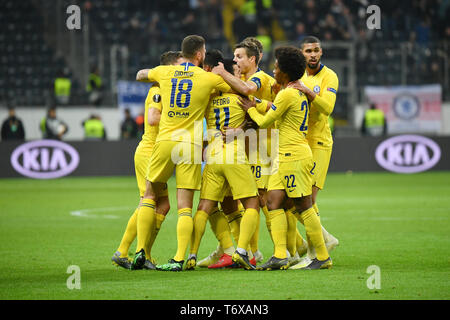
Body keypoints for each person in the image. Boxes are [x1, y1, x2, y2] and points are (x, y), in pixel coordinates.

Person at [133, 35, 232, 271]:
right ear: (199, 55)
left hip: (165, 141)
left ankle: (140, 251)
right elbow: (234, 87)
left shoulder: (165, 73)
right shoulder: (208, 78)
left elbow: (140, 75)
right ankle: (179, 258)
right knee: (185, 206)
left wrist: (154, 73)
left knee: (148, 195)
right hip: (190, 146)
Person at [238, 45, 332, 270]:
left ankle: (322, 256)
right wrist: (258, 105)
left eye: (277, 67)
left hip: (294, 157)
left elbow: (263, 122)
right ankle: (280, 254)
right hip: (285, 157)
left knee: (303, 205)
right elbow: (274, 111)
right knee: (273, 202)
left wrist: (251, 108)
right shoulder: (293, 92)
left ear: (286, 72)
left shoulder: (288, 93)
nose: (273, 70)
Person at [186, 53, 260, 271]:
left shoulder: (208, 96)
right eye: (235, 68)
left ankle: (191, 254)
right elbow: (256, 120)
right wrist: (242, 128)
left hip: (213, 154)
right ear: (230, 72)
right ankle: (242, 251)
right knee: (252, 204)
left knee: (204, 207)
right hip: (234, 154)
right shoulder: (241, 93)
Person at [112, 51, 183, 270]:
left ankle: (145, 254)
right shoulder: (158, 89)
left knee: (163, 205)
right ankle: (123, 251)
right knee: (148, 200)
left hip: (158, 152)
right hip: (149, 152)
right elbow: (152, 118)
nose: (183, 70)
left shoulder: (171, 89)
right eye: (180, 66)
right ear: (169, 68)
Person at [211, 39, 278, 264]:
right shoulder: (242, 81)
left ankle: (288, 250)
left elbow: (257, 116)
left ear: (253, 58)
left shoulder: (258, 79)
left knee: (265, 202)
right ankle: (246, 250)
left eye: (239, 56)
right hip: (248, 148)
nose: (235, 60)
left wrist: (221, 73)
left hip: (263, 146)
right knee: (253, 202)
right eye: (234, 56)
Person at [287, 36, 339, 269]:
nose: (313, 54)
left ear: (321, 52)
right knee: (291, 198)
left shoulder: (329, 76)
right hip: (298, 143)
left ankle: (314, 253)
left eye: (316, 50)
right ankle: (325, 240)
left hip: (318, 143)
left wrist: (306, 91)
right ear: (301, 53)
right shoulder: (298, 75)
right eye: (308, 51)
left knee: (307, 198)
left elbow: (327, 108)